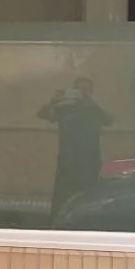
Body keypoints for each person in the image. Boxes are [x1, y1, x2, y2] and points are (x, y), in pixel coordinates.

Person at [37, 77, 113, 222]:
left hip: (89, 160)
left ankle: (86, 222)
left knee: (88, 195)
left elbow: (109, 120)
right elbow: (42, 115)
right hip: (67, 161)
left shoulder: (94, 110)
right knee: (63, 196)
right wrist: (53, 101)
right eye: (79, 90)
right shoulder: (66, 108)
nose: (83, 93)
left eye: (86, 90)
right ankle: (58, 224)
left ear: (91, 92)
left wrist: (92, 104)